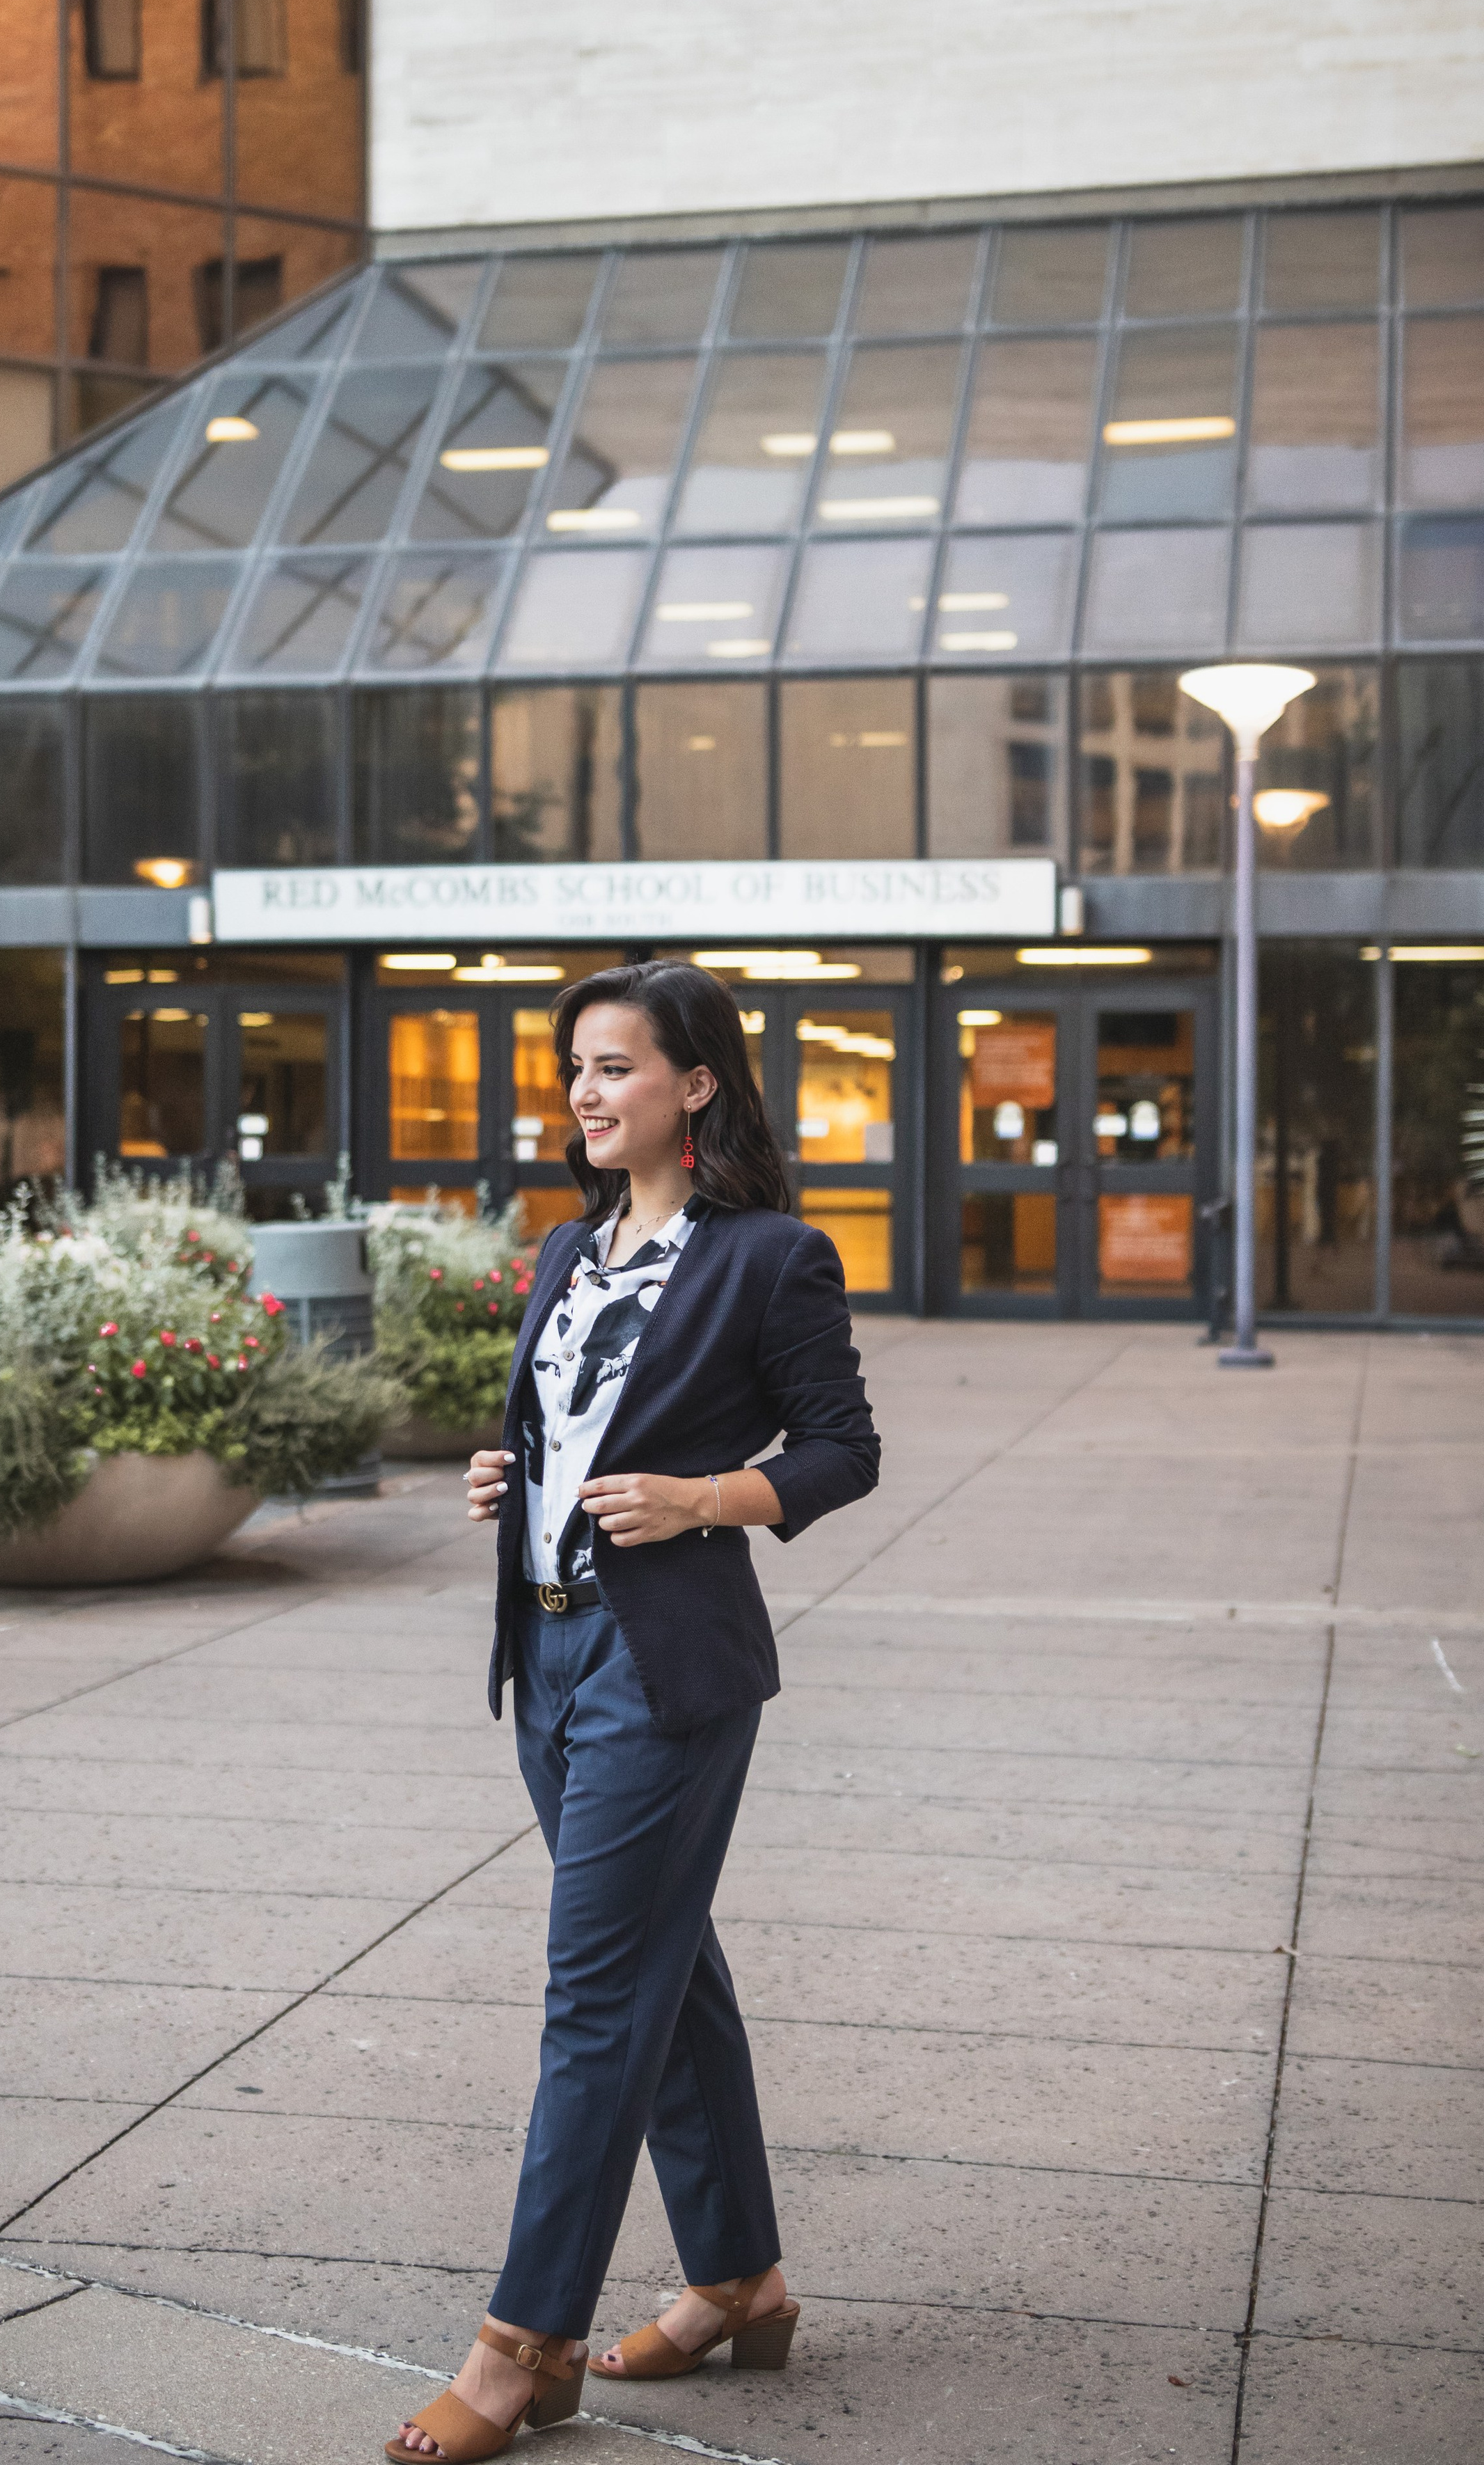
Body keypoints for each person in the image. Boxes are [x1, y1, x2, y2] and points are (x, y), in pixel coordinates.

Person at [386, 960, 880, 2462]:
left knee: (595, 2000)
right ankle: (735, 2277)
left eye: (614, 1067)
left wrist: (703, 1499)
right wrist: (506, 1476)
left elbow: (843, 1449)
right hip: (542, 1660)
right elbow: (565, 1428)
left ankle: (519, 2349)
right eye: (576, 1070)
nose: (586, 1093)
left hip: (664, 1671)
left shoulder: (768, 1258)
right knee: (668, 1972)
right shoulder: (564, 1252)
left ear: (695, 1084)